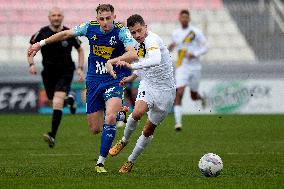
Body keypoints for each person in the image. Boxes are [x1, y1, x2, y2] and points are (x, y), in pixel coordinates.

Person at [28, 4, 137, 173]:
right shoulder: (89, 27)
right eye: (102, 19)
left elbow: (133, 53)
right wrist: (40, 44)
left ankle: (100, 162)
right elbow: (65, 34)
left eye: (109, 18)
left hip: (114, 79)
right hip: (94, 80)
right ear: (97, 19)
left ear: (114, 17)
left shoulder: (122, 31)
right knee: (95, 129)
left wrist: (113, 61)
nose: (105, 22)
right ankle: (120, 114)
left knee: (109, 117)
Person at [107, 14, 176, 173]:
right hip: (148, 84)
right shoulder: (135, 43)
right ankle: (124, 140)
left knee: (148, 130)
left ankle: (131, 160)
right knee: (137, 112)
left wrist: (130, 67)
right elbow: (141, 63)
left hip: (165, 92)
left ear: (146, 27)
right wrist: (132, 76)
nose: (137, 35)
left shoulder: (153, 40)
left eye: (139, 31)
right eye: (133, 33)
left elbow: (155, 60)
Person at [27, 7, 85, 148]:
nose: (56, 17)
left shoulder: (68, 32)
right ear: (49, 17)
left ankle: (52, 134)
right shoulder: (42, 33)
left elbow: (80, 50)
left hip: (65, 71)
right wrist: (31, 64)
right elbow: (31, 49)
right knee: (53, 100)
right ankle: (70, 100)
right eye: (54, 15)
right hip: (48, 73)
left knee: (57, 102)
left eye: (59, 15)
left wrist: (79, 68)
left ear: (62, 17)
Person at [168, 9, 208, 131]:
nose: (184, 19)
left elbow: (206, 47)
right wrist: (167, 49)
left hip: (195, 67)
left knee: (193, 96)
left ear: (189, 19)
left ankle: (201, 98)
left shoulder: (196, 32)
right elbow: (174, 44)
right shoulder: (175, 33)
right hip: (182, 67)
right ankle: (178, 123)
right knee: (179, 92)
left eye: (186, 17)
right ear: (179, 19)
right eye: (182, 17)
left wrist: (195, 54)